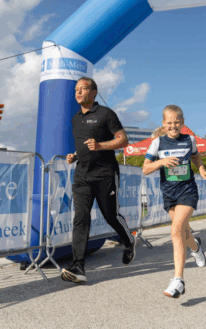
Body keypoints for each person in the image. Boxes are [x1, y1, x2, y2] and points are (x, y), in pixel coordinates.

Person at [61, 77, 136, 284]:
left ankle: (129, 241)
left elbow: (123, 139)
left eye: (83, 89)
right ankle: (78, 266)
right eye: (76, 89)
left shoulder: (106, 113)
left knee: (110, 216)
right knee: (81, 218)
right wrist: (74, 155)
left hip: (105, 173)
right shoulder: (75, 118)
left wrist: (101, 146)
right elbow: (84, 145)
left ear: (93, 93)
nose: (78, 92)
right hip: (82, 175)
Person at [142, 105, 206, 298]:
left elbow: (196, 158)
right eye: (169, 123)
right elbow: (145, 168)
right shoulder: (157, 143)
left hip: (187, 191)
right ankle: (196, 247)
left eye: (177, 122)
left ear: (182, 122)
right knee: (183, 232)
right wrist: (161, 162)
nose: (173, 126)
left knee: (175, 230)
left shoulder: (190, 140)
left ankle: (178, 280)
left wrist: (202, 170)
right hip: (169, 194)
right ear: (163, 123)